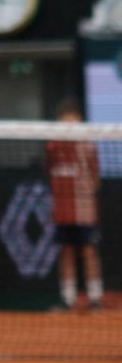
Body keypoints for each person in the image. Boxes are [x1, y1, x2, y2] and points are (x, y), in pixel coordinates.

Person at [48, 101, 104, 311]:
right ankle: (68, 298)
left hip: (85, 211)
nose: (70, 121)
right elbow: (49, 172)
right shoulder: (52, 146)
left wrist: (84, 196)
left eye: (74, 117)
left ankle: (95, 298)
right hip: (62, 211)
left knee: (89, 251)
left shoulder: (88, 146)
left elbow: (96, 178)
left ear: (80, 120)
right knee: (67, 252)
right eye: (66, 118)